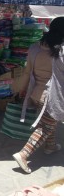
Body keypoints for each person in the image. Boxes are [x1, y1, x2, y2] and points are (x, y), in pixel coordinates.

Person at [13, 17, 64, 173]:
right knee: (45, 126)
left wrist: (17, 88)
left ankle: (50, 146)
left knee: (50, 121)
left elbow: (27, 72)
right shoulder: (61, 51)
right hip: (52, 97)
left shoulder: (35, 48)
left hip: (35, 94)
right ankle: (23, 154)